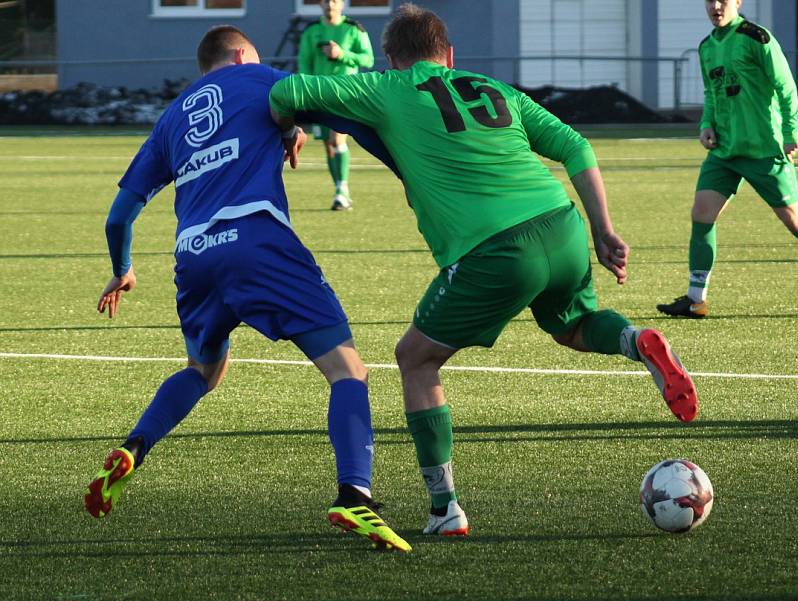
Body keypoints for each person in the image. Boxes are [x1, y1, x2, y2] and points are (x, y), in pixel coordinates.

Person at [268, 3, 700, 536]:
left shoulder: (388, 88)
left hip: (494, 250)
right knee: (571, 325)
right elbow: (575, 145)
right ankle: (637, 341)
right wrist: (604, 231)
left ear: (391, 59)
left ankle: (444, 508)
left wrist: (288, 127)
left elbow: (285, 92)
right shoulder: (496, 89)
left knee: (415, 359)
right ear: (449, 55)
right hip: (560, 224)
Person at [83, 25, 410, 553]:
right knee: (347, 370)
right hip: (256, 240)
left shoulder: (171, 118)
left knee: (203, 372)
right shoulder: (260, 77)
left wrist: (123, 268)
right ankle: (355, 493)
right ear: (241, 57)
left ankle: (134, 447)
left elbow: (119, 214)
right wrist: (404, 167)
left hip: (192, 258)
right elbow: (337, 109)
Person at [657, 0, 798, 318]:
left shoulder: (756, 37)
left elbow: (786, 86)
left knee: (795, 222)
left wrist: (792, 131)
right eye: (709, 0)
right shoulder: (706, 46)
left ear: (738, 2)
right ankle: (696, 299)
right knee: (702, 214)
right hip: (723, 152)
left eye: (723, 0)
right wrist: (706, 124)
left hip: (763, 150)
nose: (715, 6)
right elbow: (711, 92)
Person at [297, 0, 374, 210]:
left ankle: (342, 191)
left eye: (334, 0)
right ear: (320, 4)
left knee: (336, 138)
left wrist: (342, 54)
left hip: (345, 94)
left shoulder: (353, 29)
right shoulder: (312, 31)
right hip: (319, 95)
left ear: (341, 4)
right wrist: (306, 91)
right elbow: (304, 63)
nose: (330, 4)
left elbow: (368, 59)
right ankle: (341, 190)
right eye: (326, 1)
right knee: (329, 145)